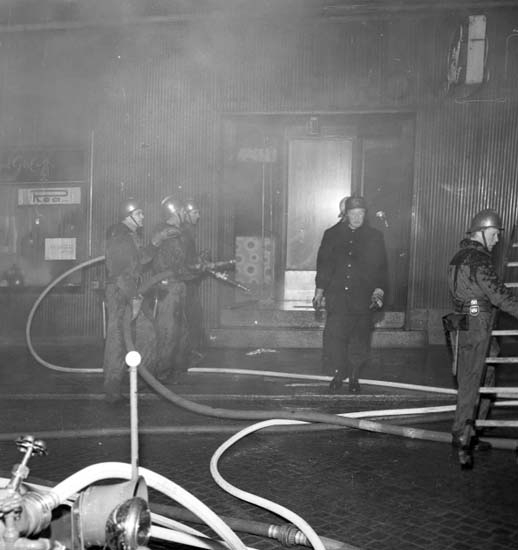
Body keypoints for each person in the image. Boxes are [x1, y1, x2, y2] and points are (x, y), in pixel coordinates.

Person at [447, 208, 518, 459]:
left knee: (476, 375)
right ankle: (463, 433)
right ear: (481, 232)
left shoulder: (458, 256)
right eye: (494, 234)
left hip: (460, 319)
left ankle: (469, 429)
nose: (497, 239)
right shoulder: (479, 260)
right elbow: (499, 295)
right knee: (474, 377)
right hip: (477, 321)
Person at [313, 196, 388, 393]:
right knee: (335, 338)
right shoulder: (331, 234)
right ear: (345, 214)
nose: (357, 218)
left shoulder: (375, 236)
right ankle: (339, 373)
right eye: (353, 213)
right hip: (337, 297)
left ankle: (354, 375)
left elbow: (381, 267)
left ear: (365, 214)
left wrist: (379, 291)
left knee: (359, 339)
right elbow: (324, 265)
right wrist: (319, 291)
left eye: (361, 213)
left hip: (363, 297)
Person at [102, 197, 170, 403]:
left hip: (131, 289)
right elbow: (121, 272)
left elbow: (140, 261)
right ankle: (112, 390)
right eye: (139, 213)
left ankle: (142, 379)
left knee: (147, 332)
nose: (143, 217)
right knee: (118, 338)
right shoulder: (120, 236)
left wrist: (155, 243)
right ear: (128, 216)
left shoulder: (130, 235)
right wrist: (133, 298)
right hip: (121, 291)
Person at [151, 196, 197, 382]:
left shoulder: (176, 233)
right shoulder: (168, 233)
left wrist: (195, 267)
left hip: (178, 286)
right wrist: (194, 269)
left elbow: (181, 264)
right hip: (169, 288)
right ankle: (162, 374)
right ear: (176, 212)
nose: (186, 214)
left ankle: (177, 369)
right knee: (168, 331)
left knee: (181, 330)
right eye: (184, 211)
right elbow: (175, 265)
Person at [182, 198, 209, 366]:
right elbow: (183, 262)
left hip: (189, 282)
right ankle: (189, 353)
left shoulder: (189, 232)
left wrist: (198, 258)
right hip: (185, 283)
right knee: (190, 317)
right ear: (185, 214)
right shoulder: (183, 234)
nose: (198, 216)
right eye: (195, 212)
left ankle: (193, 351)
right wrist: (197, 263)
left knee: (194, 316)